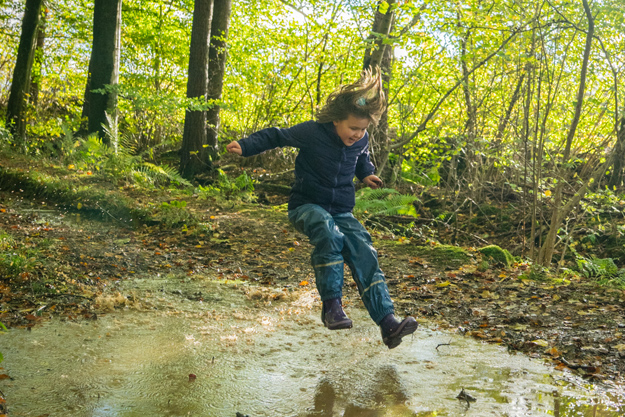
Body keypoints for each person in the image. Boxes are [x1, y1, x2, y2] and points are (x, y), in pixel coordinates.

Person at [226, 68, 418, 349]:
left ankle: (388, 323)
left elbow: (361, 155)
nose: (358, 134)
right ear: (336, 120)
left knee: (364, 250)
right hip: (307, 206)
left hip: (342, 210)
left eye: (363, 129)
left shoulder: (361, 139)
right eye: (353, 128)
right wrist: (245, 146)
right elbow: (276, 136)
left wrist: (366, 173)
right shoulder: (312, 133)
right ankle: (332, 308)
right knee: (330, 236)